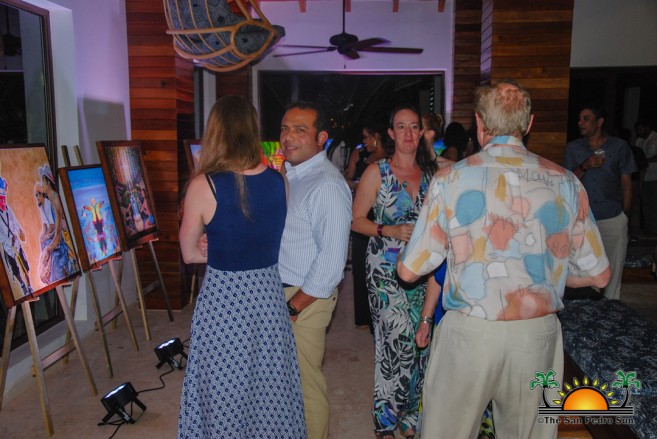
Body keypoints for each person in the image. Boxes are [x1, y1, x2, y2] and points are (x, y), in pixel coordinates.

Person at [397, 79, 611, 439]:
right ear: (529, 124)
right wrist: (549, 273)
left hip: (469, 334)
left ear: (480, 124)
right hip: (536, 337)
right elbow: (599, 275)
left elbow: (409, 271)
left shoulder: (451, 179)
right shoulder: (566, 182)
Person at [178, 96, 306, 438]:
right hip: (267, 301)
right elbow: (260, 237)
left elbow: (189, 254)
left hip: (225, 305)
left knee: (224, 394)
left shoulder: (203, 186)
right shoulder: (280, 181)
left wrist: (213, 246)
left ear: (215, 132)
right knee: (269, 391)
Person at [352, 104, 438, 439]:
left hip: (423, 269)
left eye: (413, 126)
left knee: (421, 341)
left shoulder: (432, 175)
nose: (407, 133)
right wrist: (387, 230)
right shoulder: (378, 172)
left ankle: (411, 415)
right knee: (395, 340)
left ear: (421, 132)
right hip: (384, 269)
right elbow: (356, 221)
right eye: (400, 126)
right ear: (391, 133)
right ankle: (385, 420)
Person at [279, 101, 352, 439]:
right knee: (285, 385)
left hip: (304, 298)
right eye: (284, 129)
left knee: (306, 389)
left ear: (321, 137)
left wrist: (294, 307)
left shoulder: (326, 184)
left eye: (299, 130)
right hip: (285, 292)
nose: (288, 137)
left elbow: (332, 261)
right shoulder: (294, 175)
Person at [563, 104, 636, 300]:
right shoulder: (573, 148)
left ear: (599, 122)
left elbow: (626, 183)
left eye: (586, 119)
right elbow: (566, 181)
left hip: (612, 216)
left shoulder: (619, 147)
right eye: (579, 119)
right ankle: (590, 312)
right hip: (583, 220)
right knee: (585, 272)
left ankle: (611, 310)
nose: (580, 123)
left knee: (613, 272)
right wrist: (585, 165)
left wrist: (625, 215)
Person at [345, 122, 388, 330]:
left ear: (376, 136)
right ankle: (364, 317)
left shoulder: (389, 159)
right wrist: (352, 166)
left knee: (380, 270)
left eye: (366, 137)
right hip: (362, 214)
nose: (363, 142)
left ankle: (380, 317)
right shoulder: (361, 157)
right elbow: (347, 179)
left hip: (380, 216)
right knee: (361, 269)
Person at [38, 164, 79, 284]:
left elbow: (59, 233)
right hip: (63, 239)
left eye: (43, 182)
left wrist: (48, 249)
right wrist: (47, 237)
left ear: (48, 182)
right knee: (45, 245)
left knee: (52, 258)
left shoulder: (55, 200)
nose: (42, 185)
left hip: (67, 243)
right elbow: (56, 229)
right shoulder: (52, 199)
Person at [0, 177, 32, 297]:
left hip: (17, 243)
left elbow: (15, 222)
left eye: (4, 197)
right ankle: (23, 285)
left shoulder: (8, 210)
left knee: (25, 265)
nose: (3, 200)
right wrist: (9, 241)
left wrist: (20, 231)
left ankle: (29, 285)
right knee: (15, 268)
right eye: (1, 198)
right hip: (8, 247)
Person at [618, 127, 648, 240]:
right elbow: (643, 169)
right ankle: (630, 232)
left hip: (628, 183)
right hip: (628, 183)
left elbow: (643, 167)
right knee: (631, 208)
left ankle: (631, 232)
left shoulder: (629, 151)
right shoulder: (631, 150)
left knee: (630, 207)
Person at [635, 119, 657, 236]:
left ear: (647, 127)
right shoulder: (639, 140)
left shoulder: (655, 138)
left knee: (654, 203)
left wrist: (645, 161)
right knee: (645, 203)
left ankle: (654, 228)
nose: (639, 131)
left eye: (641, 129)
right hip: (643, 177)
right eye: (637, 130)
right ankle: (649, 228)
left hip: (654, 176)